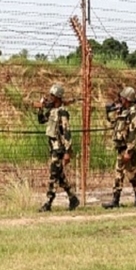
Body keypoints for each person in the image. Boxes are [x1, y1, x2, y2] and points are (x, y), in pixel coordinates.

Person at [36, 83, 80, 212]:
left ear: (58, 97)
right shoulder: (51, 110)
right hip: (53, 147)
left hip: (59, 148)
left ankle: (48, 202)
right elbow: (41, 120)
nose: (50, 97)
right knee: (60, 175)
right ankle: (73, 198)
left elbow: (67, 132)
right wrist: (40, 107)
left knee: (53, 175)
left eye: (52, 95)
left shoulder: (62, 112)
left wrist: (67, 152)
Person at [102, 86, 136, 209]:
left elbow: (132, 132)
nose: (121, 100)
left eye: (123, 98)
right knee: (118, 173)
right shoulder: (123, 111)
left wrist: (129, 151)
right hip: (120, 147)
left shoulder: (133, 112)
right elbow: (114, 124)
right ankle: (115, 200)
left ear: (128, 99)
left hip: (127, 148)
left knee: (132, 175)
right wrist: (114, 112)